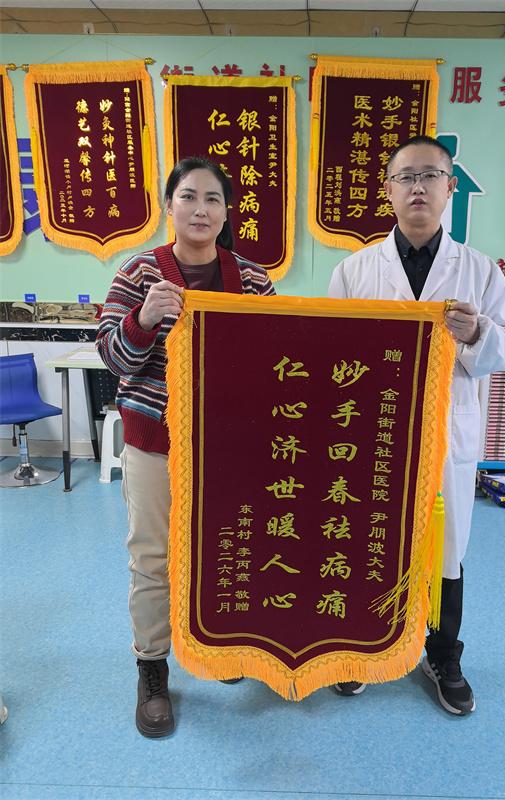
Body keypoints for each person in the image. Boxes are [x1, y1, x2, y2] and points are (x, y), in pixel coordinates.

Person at [328, 135, 505, 715]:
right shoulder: (355, 270)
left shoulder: (479, 271)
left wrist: (477, 333)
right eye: (406, 177)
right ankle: (361, 647)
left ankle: (443, 654)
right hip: (372, 434)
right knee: (367, 538)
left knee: (447, 546)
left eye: (430, 175)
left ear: (450, 187)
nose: (418, 187)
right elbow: (331, 354)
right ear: (387, 190)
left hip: (445, 434)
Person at [96, 157, 275, 738]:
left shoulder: (252, 279)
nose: (201, 209)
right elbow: (113, 359)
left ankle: (221, 646)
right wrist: (144, 319)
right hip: (155, 442)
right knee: (153, 555)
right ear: (169, 205)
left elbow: (278, 361)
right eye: (189, 196)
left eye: (213, 199)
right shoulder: (139, 272)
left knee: (228, 547)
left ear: (227, 212)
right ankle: (152, 666)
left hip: (228, 448)